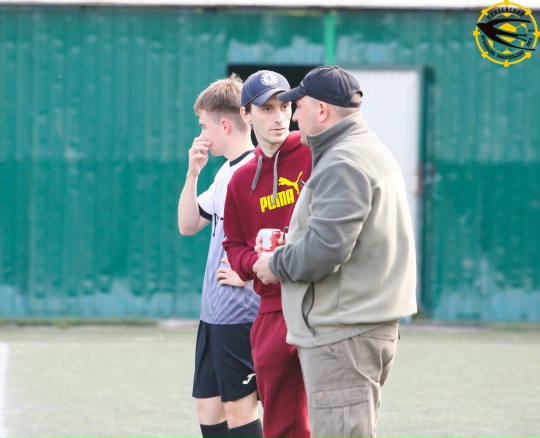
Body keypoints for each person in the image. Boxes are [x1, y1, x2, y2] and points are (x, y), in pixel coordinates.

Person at [252, 66, 418, 438]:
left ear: (322, 110)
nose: (294, 117)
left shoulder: (344, 160)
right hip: (358, 328)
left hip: (343, 334)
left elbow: (325, 249)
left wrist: (274, 263)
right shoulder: (363, 149)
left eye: (298, 107)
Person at [222, 70, 312, 438]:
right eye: (267, 109)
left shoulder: (315, 153)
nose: (279, 117)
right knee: (280, 424)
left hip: (320, 302)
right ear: (246, 115)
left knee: (335, 417)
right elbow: (233, 245)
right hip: (272, 310)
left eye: (285, 107)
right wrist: (255, 263)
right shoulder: (240, 180)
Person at [178, 74, 263, 438]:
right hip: (213, 314)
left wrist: (249, 273)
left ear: (224, 125)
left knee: (239, 409)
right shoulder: (225, 171)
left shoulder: (256, 170)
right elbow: (188, 225)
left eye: (203, 126)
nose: (201, 133)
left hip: (241, 314)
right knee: (208, 407)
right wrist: (192, 174)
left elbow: (277, 235)